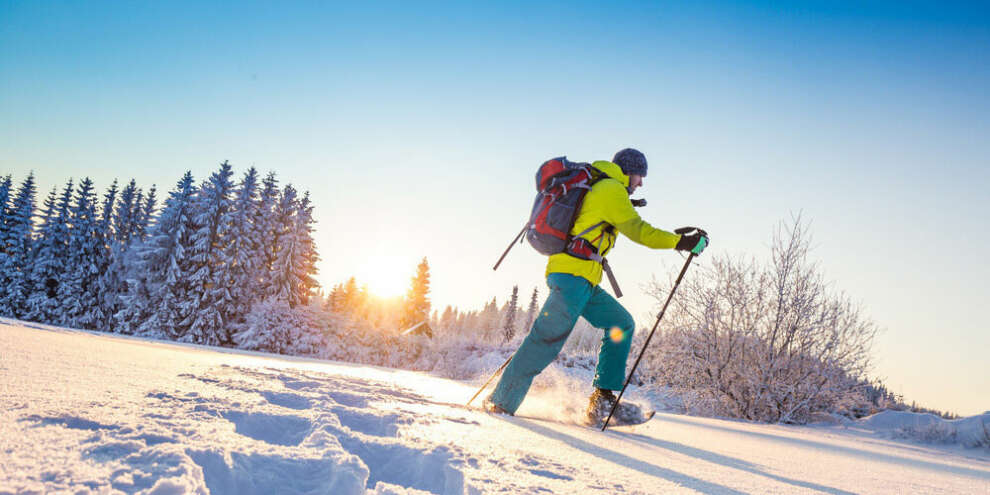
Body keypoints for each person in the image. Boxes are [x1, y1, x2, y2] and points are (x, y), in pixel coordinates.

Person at [484, 148, 708, 423]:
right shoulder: (610, 189)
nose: (641, 183)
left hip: (583, 279)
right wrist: (681, 242)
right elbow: (640, 231)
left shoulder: (606, 188)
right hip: (572, 277)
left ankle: (602, 401)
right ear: (627, 171)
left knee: (620, 323)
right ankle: (500, 403)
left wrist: (672, 237)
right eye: (639, 175)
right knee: (544, 341)